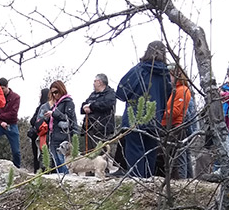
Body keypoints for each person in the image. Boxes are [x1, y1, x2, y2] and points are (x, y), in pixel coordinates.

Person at [116, 41, 174, 177]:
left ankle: (136, 187)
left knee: (135, 154)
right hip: (155, 120)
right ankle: (147, 189)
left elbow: (121, 92)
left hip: (135, 119)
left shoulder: (139, 70)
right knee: (150, 156)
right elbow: (167, 96)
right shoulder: (166, 75)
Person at [161, 64, 193, 178]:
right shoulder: (176, 90)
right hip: (172, 125)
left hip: (176, 126)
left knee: (178, 156)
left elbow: (176, 110)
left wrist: (160, 114)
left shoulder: (182, 90)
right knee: (181, 154)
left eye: (170, 75)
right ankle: (187, 178)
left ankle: (181, 180)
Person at [41, 80, 77, 173]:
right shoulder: (55, 104)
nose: (54, 95)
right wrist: (48, 117)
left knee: (63, 162)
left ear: (61, 90)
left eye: (56, 92)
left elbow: (69, 119)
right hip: (53, 136)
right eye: (52, 93)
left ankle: (66, 181)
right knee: (56, 162)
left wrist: (54, 113)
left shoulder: (68, 103)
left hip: (63, 137)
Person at [80, 73, 118, 162]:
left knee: (101, 152)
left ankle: (104, 171)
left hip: (102, 128)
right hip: (89, 127)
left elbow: (107, 105)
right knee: (89, 152)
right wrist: (85, 107)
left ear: (100, 82)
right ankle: (90, 171)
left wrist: (92, 107)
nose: (93, 83)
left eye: (95, 81)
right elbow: (85, 104)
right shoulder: (92, 95)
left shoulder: (110, 94)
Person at [27, 88, 50, 172]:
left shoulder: (43, 107)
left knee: (40, 156)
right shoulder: (41, 107)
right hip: (38, 135)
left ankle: (39, 172)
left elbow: (34, 120)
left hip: (41, 135)